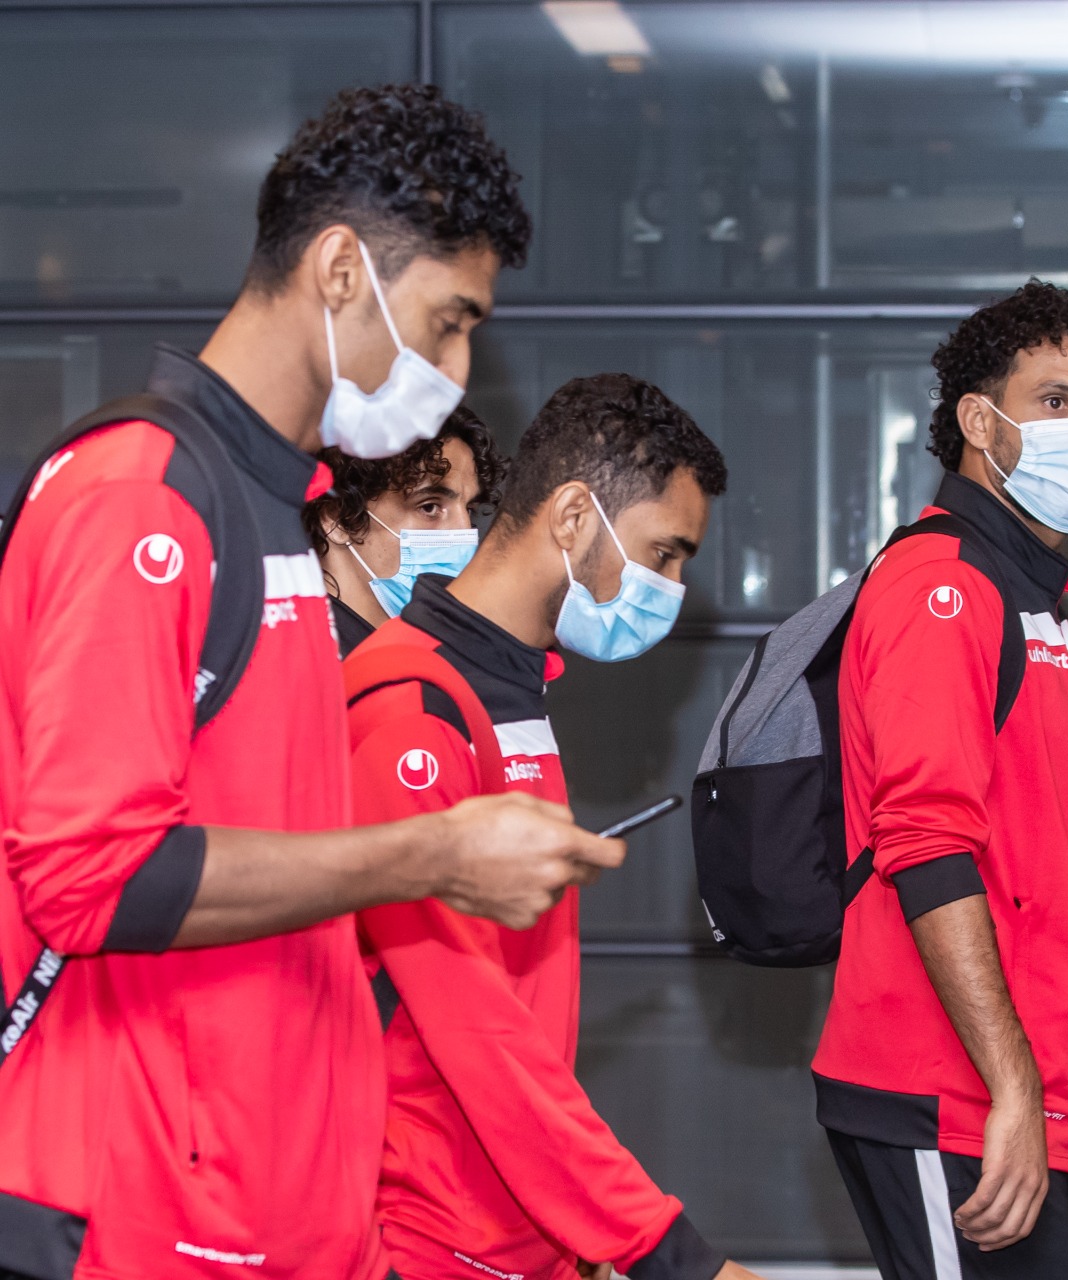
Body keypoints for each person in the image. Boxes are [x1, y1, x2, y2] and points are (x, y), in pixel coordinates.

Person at [0, 84, 623, 1280]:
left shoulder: (273, 508)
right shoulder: (142, 497)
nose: (457, 365)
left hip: (279, 1211)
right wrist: (430, 853)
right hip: (138, 1217)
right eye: (447, 321)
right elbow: (92, 873)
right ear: (340, 270)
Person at [343, 374, 764, 1280]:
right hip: (425, 1235)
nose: (671, 588)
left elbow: (523, 1002)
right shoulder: (413, 708)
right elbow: (473, 1028)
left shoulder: (514, 689)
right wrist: (660, 1249)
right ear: (574, 516)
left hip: (515, 1223)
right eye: (663, 554)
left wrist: (572, 1229)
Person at [811, 280, 1068, 1279]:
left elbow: (1046, 882)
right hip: (950, 1092)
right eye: (1055, 400)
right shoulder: (940, 586)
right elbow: (926, 841)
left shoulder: (1028, 600)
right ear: (979, 423)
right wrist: (1016, 1091)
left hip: (1031, 1098)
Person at [306, 403, 507, 656]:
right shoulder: (307, 657)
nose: (464, 532)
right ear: (337, 519)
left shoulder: (437, 650)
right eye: (430, 507)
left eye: (469, 510)